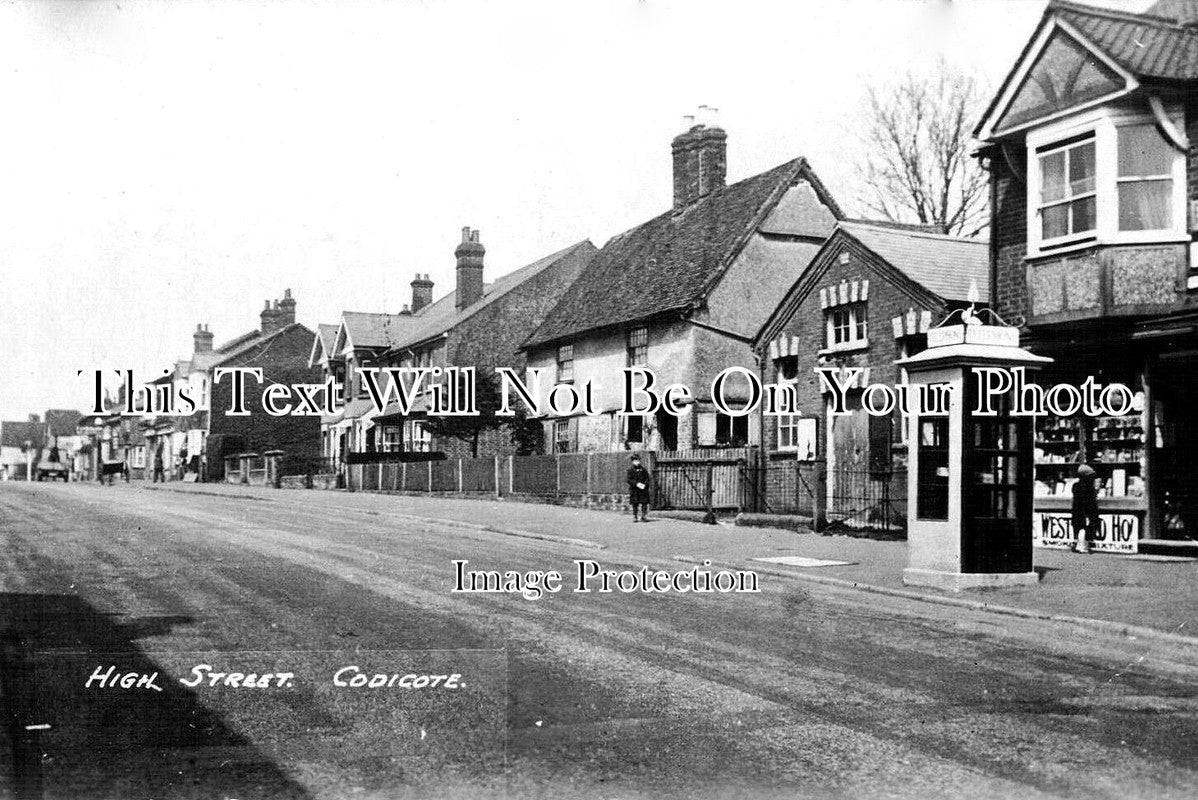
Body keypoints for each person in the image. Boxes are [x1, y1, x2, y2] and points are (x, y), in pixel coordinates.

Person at [1071, 463, 1100, 554]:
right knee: (1085, 528)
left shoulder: (1076, 486)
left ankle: (1079, 546)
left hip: (1077, 509)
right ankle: (1083, 546)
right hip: (1086, 510)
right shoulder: (1089, 488)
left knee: (1080, 528)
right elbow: (1090, 500)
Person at [627, 454, 651, 522]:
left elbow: (647, 478)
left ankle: (643, 516)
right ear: (632, 462)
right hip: (634, 489)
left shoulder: (643, 470)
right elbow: (629, 480)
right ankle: (635, 516)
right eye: (635, 461)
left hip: (643, 489)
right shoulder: (630, 470)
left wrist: (645, 484)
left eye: (637, 460)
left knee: (644, 503)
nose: (636, 462)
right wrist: (636, 484)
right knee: (635, 503)